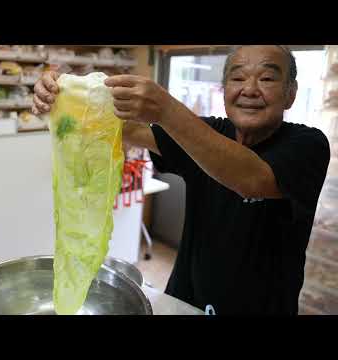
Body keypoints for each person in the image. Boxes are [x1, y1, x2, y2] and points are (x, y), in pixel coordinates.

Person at [32, 45, 330, 315]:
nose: (250, 89)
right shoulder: (209, 132)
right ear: (223, 89)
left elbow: (252, 177)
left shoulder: (308, 145)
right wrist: (67, 101)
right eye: (237, 79)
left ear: (291, 93)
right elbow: (127, 131)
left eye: (267, 78)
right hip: (185, 301)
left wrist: (166, 109)